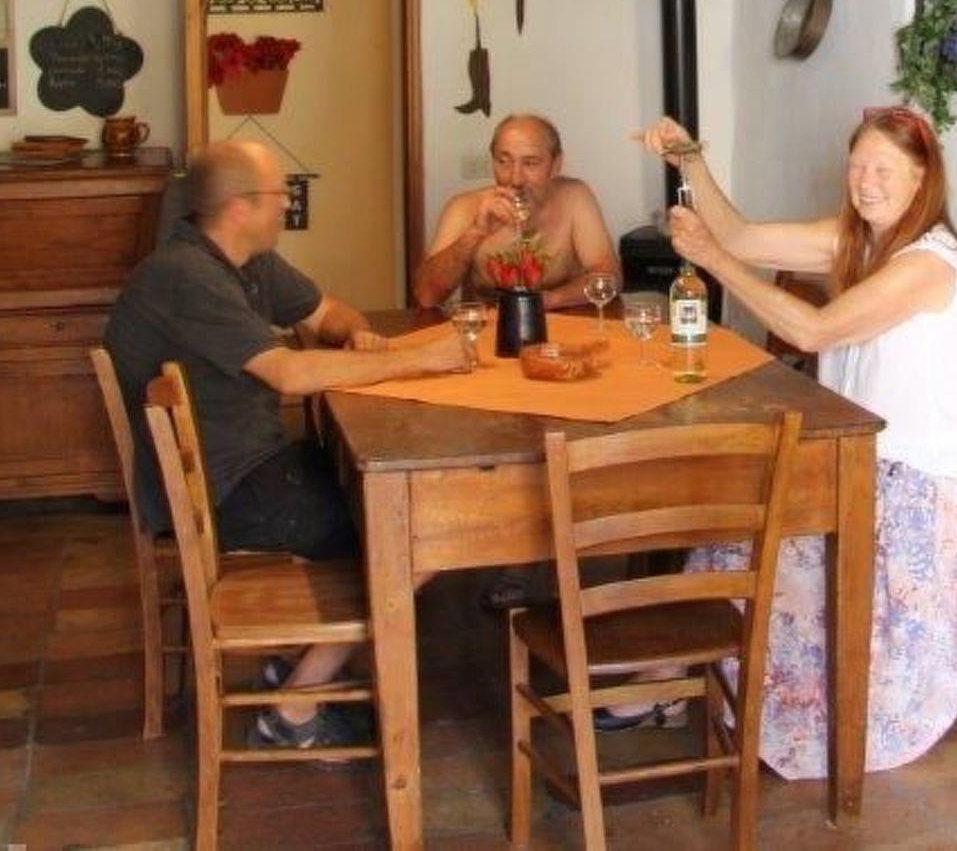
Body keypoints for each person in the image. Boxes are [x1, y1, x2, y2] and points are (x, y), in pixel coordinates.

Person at [637, 107, 957, 777]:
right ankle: (675, 676)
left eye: (884, 170)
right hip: (857, 461)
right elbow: (743, 236)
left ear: (923, 178)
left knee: (756, 531)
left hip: (915, 494)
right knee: (734, 523)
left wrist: (711, 260)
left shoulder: (929, 263)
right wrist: (689, 158)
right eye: (857, 166)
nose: (865, 183)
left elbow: (813, 331)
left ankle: (684, 682)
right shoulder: (859, 240)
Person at [104, 139, 472, 751]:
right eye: (281, 195)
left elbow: (329, 313)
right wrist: (423, 358)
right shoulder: (185, 276)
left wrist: (359, 336)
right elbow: (289, 374)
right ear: (240, 208)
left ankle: (300, 663)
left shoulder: (247, 260)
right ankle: (295, 706)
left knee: (390, 495)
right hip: (224, 490)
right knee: (422, 528)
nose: (289, 205)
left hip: (254, 463)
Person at [412, 113, 620, 311]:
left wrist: (545, 301)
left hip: (561, 326)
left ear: (556, 165)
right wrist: (474, 233)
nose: (515, 179)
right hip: (489, 331)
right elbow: (426, 297)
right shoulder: (463, 208)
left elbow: (610, 278)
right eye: (504, 161)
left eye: (530, 163)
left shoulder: (575, 197)